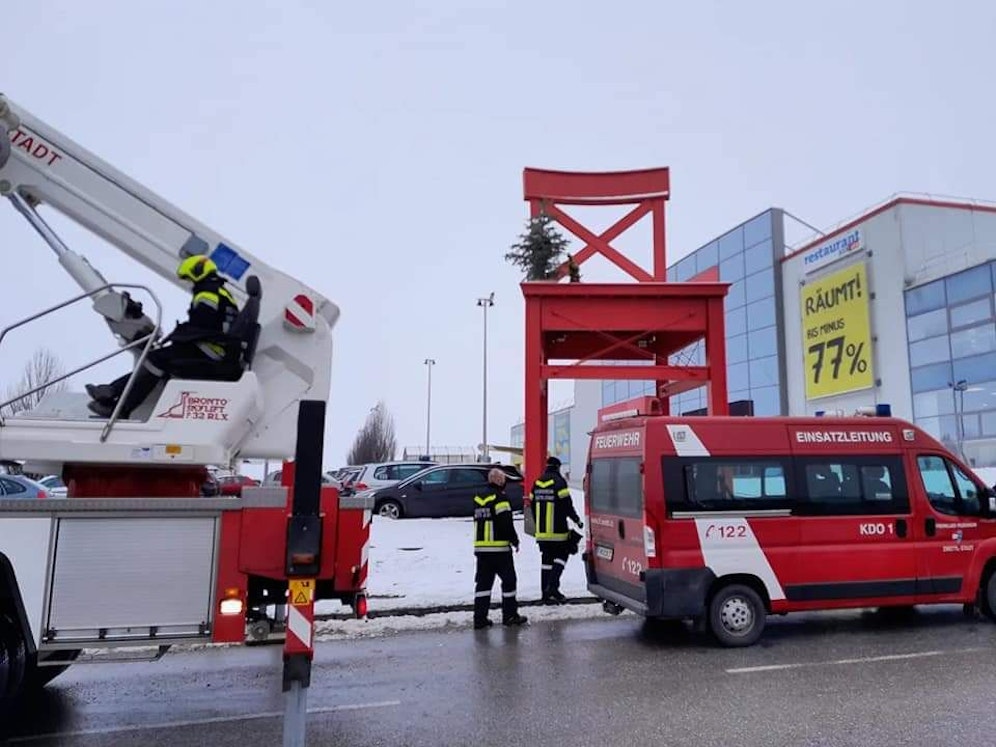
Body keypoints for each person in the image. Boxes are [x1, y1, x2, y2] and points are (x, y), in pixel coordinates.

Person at [86, 254, 240, 419]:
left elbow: (202, 324)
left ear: (197, 272)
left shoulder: (207, 294)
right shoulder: (220, 291)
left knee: (155, 360)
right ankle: (111, 391)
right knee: (156, 357)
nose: (190, 283)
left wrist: (179, 335)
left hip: (211, 352)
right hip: (214, 349)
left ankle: (120, 408)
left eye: (190, 279)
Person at [472, 467, 528, 630]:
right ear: (500, 481)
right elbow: (506, 524)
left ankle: (479, 618)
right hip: (499, 550)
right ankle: (510, 615)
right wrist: (515, 540)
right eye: (503, 480)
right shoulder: (501, 499)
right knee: (509, 582)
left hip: (482, 550)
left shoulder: (478, 497)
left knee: (483, 585)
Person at [531, 455, 583, 604]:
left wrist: (538, 525)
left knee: (546, 561)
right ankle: (553, 586)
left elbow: (533, 505)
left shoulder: (537, 483)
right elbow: (567, 505)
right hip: (558, 531)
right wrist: (576, 520)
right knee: (562, 556)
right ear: (558, 467)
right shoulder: (559, 483)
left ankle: (545, 594)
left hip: (542, 532)